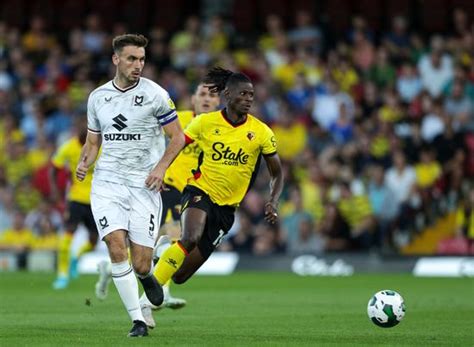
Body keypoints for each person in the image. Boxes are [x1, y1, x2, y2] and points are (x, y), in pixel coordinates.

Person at [149, 67, 283, 325]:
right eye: (243, 94)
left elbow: (277, 173)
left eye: (251, 95)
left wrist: (272, 200)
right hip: (199, 190)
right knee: (189, 236)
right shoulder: (203, 122)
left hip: (226, 209)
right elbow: (177, 142)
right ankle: (150, 289)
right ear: (228, 95)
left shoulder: (262, 132)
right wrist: (160, 169)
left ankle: (163, 261)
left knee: (180, 275)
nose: (248, 99)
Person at [76, 34, 185, 337]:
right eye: (132, 59)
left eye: (142, 60)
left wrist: (161, 168)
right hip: (107, 182)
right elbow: (93, 139)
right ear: (116, 59)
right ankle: (138, 320)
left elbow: (178, 137)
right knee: (115, 245)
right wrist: (85, 161)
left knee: (139, 263)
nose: (138, 65)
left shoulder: (156, 95)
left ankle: (148, 274)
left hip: (144, 185)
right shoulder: (98, 97)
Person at [94, 83, 221, 319]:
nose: (206, 99)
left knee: (154, 249)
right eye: (202, 94)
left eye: (212, 96)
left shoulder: (219, 129)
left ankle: (111, 269)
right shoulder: (179, 119)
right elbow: (147, 137)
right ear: (193, 99)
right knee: (175, 240)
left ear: (218, 102)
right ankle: (160, 292)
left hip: (194, 193)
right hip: (168, 188)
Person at [50, 121, 98, 290]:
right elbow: (54, 169)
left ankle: (75, 259)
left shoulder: (99, 147)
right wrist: (56, 192)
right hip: (76, 198)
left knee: (93, 242)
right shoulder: (68, 147)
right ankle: (62, 276)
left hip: (96, 199)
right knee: (68, 232)